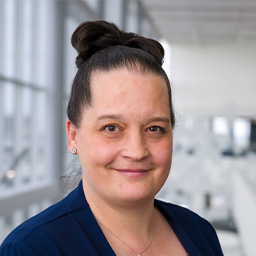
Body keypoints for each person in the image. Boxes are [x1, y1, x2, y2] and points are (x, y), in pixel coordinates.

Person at [0, 20, 224, 256]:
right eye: (111, 128)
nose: (137, 151)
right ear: (73, 136)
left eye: (154, 129)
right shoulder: (31, 249)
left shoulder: (199, 232)